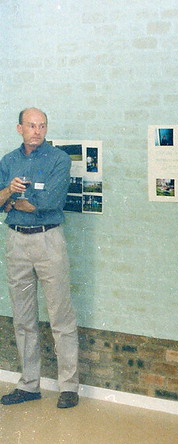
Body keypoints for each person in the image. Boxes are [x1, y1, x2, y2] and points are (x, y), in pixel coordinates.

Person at [0, 108, 80, 409]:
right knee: (23, 316)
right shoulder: (8, 161)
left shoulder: (58, 159)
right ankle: (29, 384)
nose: (37, 131)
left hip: (49, 240)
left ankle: (68, 386)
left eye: (42, 126)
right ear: (20, 128)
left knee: (60, 315)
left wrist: (14, 202)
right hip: (16, 241)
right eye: (32, 125)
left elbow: (50, 203)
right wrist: (9, 191)